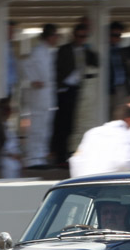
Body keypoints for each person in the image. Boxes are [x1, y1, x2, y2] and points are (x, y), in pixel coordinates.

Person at [52, 23, 98, 166]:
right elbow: (57, 69)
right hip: (66, 90)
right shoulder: (64, 50)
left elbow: (96, 63)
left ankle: (71, 152)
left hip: (80, 90)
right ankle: (60, 156)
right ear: (74, 35)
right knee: (64, 124)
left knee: (76, 124)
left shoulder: (87, 51)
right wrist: (61, 86)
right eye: (79, 36)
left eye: (84, 36)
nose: (81, 39)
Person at [70, 103, 130, 177]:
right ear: (129, 119)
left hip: (84, 182)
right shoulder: (125, 134)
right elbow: (124, 162)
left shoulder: (92, 132)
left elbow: (75, 160)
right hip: (107, 184)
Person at [21, 24, 60, 169]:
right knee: (37, 127)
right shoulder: (37, 52)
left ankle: (41, 155)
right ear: (49, 36)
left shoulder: (48, 52)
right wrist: (32, 81)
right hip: (39, 96)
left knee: (45, 128)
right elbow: (25, 65)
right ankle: (33, 157)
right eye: (55, 35)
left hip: (47, 95)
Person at [108, 22, 128, 104]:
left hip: (120, 87)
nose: (117, 38)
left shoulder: (120, 50)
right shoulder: (103, 49)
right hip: (109, 90)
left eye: (119, 35)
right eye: (115, 35)